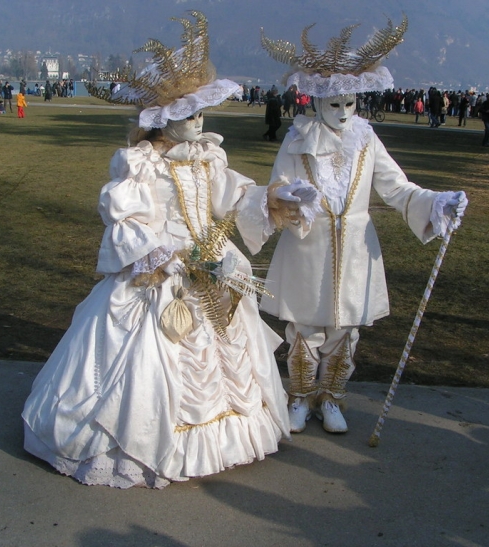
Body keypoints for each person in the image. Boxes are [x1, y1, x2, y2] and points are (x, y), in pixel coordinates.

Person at [23, 11, 306, 489]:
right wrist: (162, 256)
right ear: (162, 121)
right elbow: (127, 219)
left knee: (230, 349)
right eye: (188, 115)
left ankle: (225, 436)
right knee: (152, 355)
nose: (198, 122)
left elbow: (234, 199)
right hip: (164, 269)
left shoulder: (207, 157)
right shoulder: (141, 166)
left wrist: (275, 197)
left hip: (211, 262)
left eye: (201, 113)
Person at [261, 17, 468, 434]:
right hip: (307, 244)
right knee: (304, 325)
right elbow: (276, 187)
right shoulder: (297, 139)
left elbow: (396, 187)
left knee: (344, 326)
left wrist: (435, 202)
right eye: (334, 104)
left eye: (350, 104)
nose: (342, 113)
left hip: (355, 248)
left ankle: (332, 397)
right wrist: (290, 197)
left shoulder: (366, 139)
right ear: (316, 102)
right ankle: (300, 396)